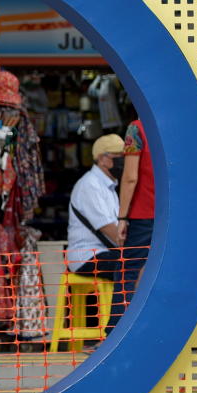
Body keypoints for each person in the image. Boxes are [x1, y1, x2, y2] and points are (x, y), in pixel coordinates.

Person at [66, 133, 126, 331]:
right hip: (86, 256)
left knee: (136, 262)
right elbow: (111, 230)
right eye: (118, 157)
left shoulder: (108, 187)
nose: (123, 162)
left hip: (103, 252)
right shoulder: (90, 186)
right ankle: (116, 329)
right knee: (130, 266)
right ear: (102, 159)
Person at [116, 118, 154, 310]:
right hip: (174, 214)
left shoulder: (136, 129)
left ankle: (116, 331)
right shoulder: (179, 128)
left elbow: (130, 177)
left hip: (143, 213)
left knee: (127, 273)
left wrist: (122, 217)